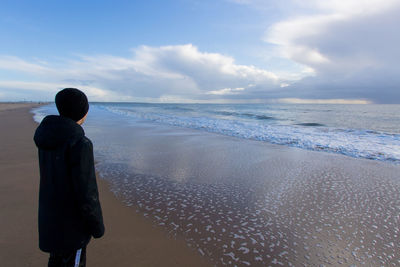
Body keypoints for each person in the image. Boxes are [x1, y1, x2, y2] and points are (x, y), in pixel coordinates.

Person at [34, 88, 105, 267]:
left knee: (56, 261)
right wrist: (97, 226)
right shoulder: (80, 143)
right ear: (83, 111)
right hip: (72, 228)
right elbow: (87, 191)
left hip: (51, 220)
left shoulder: (48, 138)